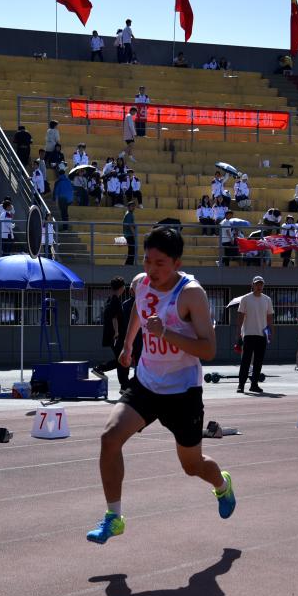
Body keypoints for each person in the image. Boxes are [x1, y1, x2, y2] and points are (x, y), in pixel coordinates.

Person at [86, 227, 233, 544]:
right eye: (147, 261)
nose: (151, 269)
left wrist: (166, 333)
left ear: (177, 263)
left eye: (160, 263)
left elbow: (208, 349)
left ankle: (222, 485)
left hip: (183, 391)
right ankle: (114, 517)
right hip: (146, 382)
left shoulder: (191, 294)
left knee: (192, 466)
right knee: (110, 438)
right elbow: (138, 314)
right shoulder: (141, 283)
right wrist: (128, 345)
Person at [236, 276, 274, 393]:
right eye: (257, 284)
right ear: (252, 285)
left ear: (263, 286)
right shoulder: (245, 299)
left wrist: (269, 333)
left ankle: (254, 384)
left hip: (262, 335)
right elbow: (240, 316)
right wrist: (239, 333)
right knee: (245, 361)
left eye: (261, 284)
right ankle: (241, 385)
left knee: (258, 362)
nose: (259, 286)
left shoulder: (267, 299)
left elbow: (269, 318)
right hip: (248, 334)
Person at [95, 277, 130, 391]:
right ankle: (100, 368)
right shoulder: (115, 300)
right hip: (117, 336)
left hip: (113, 336)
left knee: (122, 360)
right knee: (122, 359)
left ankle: (124, 385)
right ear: (122, 287)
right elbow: (114, 318)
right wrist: (117, 333)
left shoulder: (110, 300)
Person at [122, 200, 137, 265]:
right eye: (132, 206)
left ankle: (128, 264)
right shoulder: (129, 214)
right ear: (128, 207)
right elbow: (130, 226)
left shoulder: (128, 214)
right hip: (129, 235)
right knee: (132, 251)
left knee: (131, 250)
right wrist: (134, 234)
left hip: (128, 234)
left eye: (134, 206)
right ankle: (129, 264)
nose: (133, 208)